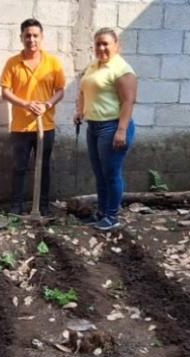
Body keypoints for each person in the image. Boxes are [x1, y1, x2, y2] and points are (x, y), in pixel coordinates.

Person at [74, 28, 138, 231]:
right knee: (100, 174)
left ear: (117, 46)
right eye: (98, 44)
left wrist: (122, 130)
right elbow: (83, 90)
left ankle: (112, 216)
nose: (101, 48)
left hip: (112, 127)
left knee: (111, 174)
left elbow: (128, 101)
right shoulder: (94, 66)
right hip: (93, 126)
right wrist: (80, 111)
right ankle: (101, 213)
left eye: (105, 44)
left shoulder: (122, 69)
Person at [0, 18, 65, 216]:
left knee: (43, 167)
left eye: (35, 35)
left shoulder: (53, 63)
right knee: (19, 167)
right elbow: (5, 92)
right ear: (21, 37)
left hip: (45, 126)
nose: (31, 39)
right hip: (20, 127)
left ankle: (42, 206)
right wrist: (26, 104)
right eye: (27, 35)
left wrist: (47, 105)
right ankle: (16, 206)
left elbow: (60, 90)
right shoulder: (13, 63)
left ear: (41, 37)